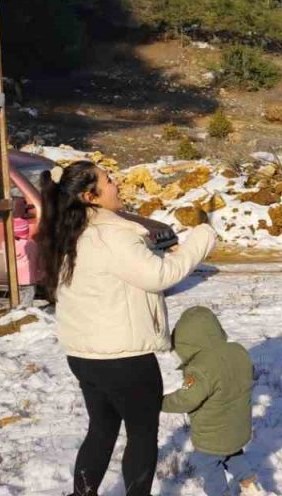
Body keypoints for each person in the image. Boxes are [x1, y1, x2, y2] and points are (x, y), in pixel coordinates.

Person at [38, 161, 218, 496]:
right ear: (90, 196)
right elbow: (160, 276)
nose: (116, 182)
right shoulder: (112, 235)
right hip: (125, 361)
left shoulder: (71, 233)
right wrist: (203, 238)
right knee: (142, 434)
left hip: (84, 356)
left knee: (102, 429)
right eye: (108, 180)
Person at [163, 306, 263, 496]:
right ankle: (251, 485)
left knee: (209, 465)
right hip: (238, 428)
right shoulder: (239, 351)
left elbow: (186, 399)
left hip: (211, 436)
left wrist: (160, 403)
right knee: (233, 454)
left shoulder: (200, 369)